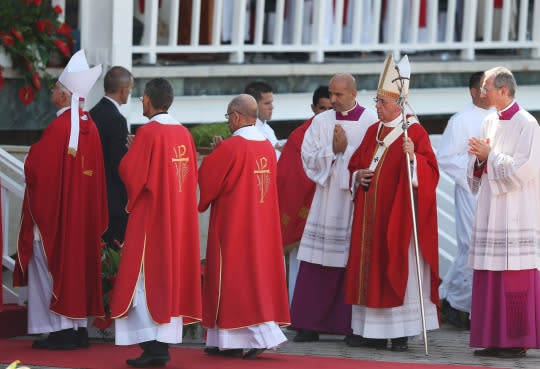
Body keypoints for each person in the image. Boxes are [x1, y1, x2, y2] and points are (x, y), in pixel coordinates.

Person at [345, 54, 440, 351]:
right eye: (376, 102)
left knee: (398, 268)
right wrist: (357, 176)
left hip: (399, 218)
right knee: (368, 270)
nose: (376, 107)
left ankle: (400, 332)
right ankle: (368, 332)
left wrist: (414, 158)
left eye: (382, 103)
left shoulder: (414, 131)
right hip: (369, 217)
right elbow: (356, 164)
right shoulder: (373, 131)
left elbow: (431, 171)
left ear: (398, 104)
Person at [13, 49, 107, 350]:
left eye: (55, 87)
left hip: (56, 218)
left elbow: (35, 169)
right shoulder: (87, 125)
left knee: (50, 269)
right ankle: (78, 328)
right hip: (81, 217)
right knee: (76, 270)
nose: (52, 90)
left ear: (65, 96)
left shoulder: (59, 128)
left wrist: (31, 156)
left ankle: (60, 330)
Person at [109, 78, 202, 367]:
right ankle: (158, 346)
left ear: (149, 100)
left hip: (151, 221)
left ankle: (154, 347)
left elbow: (131, 172)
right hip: (177, 221)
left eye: (143, 99)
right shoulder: (184, 134)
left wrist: (132, 150)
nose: (142, 103)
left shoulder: (148, 133)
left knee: (143, 281)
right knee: (166, 279)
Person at [199, 94, 290, 359]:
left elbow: (208, 182)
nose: (228, 122)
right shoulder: (265, 146)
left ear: (237, 116)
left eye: (228, 117)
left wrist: (215, 155)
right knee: (255, 280)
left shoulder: (231, 147)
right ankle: (228, 341)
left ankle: (258, 336)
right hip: (262, 227)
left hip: (234, 227)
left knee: (234, 280)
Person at [289, 74, 378, 342]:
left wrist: (345, 151)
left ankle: (353, 328)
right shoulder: (321, 121)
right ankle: (309, 323)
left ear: (354, 93)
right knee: (318, 259)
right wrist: (332, 150)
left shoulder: (371, 121)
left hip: (355, 201)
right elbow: (307, 159)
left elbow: (375, 159)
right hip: (326, 200)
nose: (334, 100)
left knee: (353, 261)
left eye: (339, 95)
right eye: (331, 94)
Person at [467, 66, 540, 359]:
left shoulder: (528, 124)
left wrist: (489, 157)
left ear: (504, 91)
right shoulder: (488, 121)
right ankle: (492, 338)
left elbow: (526, 169)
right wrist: (478, 161)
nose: (482, 94)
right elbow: (478, 165)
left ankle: (515, 341)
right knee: (489, 273)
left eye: (486, 89)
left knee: (513, 277)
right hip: (490, 208)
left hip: (516, 210)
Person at [437, 71, 490, 328]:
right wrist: (479, 168)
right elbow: (446, 157)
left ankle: (455, 300)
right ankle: (458, 304)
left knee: (492, 249)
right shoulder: (461, 120)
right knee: (472, 247)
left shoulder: (506, 118)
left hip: (500, 191)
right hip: (472, 190)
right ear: (474, 91)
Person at [277, 85, 331, 304]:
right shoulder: (299, 137)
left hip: (337, 209)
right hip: (307, 212)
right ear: (313, 108)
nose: (326, 113)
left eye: (331, 108)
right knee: (303, 266)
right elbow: (290, 177)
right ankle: (300, 314)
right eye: (322, 108)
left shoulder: (347, 131)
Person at [90, 66, 133, 251]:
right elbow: (120, 165)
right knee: (113, 259)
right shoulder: (117, 120)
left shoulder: (91, 114)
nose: (129, 94)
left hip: (93, 195)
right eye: (130, 90)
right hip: (114, 202)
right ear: (123, 90)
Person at [244, 81, 281, 159]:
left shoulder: (268, 129)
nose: (272, 107)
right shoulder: (246, 131)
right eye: (267, 103)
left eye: (271, 102)